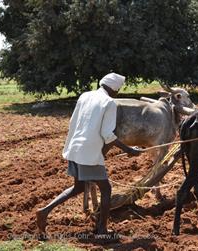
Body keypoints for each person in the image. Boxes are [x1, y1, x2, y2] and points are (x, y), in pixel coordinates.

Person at [36, 72, 142, 238]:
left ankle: (44, 211)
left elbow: (73, 122)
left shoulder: (85, 96)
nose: (117, 93)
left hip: (74, 147)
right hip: (88, 153)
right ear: (114, 89)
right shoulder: (109, 103)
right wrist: (129, 150)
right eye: (118, 90)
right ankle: (102, 230)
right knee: (106, 189)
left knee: (79, 187)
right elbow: (107, 134)